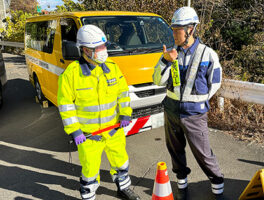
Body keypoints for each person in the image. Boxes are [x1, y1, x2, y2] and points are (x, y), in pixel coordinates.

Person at [57, 24, 140, 200]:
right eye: (98, 48)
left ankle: (123, 187)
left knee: (121, 162)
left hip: (113, 130)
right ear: (85, 50)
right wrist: (75, 131)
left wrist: (125, 113)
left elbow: (123, 93)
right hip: (89, 136)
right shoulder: (71, 75)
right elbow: (65, 106)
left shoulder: (112, 67)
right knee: (90, 170)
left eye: (104, 46)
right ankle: (88, 195)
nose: (104, 51)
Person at [153, 7, 224, 200]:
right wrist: (165, 61)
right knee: (175, 150)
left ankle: (218, 187)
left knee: (203, 154)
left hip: (195, 114)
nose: (174, 33)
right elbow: (158, 81)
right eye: (173, 29)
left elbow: (215, 83)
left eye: (178, 29)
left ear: (191, 29)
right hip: (172, 110)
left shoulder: (207, 54)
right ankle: (182, 185)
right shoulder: (170, 53)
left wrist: (197, 101)